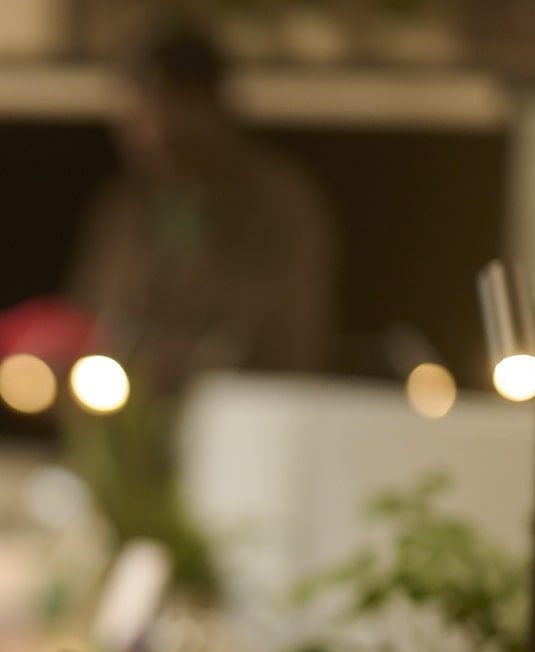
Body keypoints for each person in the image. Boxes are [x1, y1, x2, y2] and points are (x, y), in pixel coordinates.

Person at [68, 21, 335, 398]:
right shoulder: (126, 210)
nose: (147, 135)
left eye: (160, 111)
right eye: (133, 118)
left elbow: (284, 345)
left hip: (240, 428)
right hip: (128, 435)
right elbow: (90, 319)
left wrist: (171, 364)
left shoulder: (278, 205)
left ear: (210, 103)